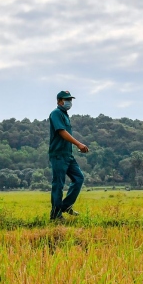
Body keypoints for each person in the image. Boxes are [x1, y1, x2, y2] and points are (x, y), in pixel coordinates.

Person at [48, 90, 89, 220]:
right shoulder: (56, 114)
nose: (69, 102)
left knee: (79, 178)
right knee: (58, 184)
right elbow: (62, 132)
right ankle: (55, 215)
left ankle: (65, 206)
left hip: (68, 154)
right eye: (66, 100)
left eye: (70, 100)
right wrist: (79, 144)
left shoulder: (65, 115)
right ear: (59, 101)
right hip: (58, 154)